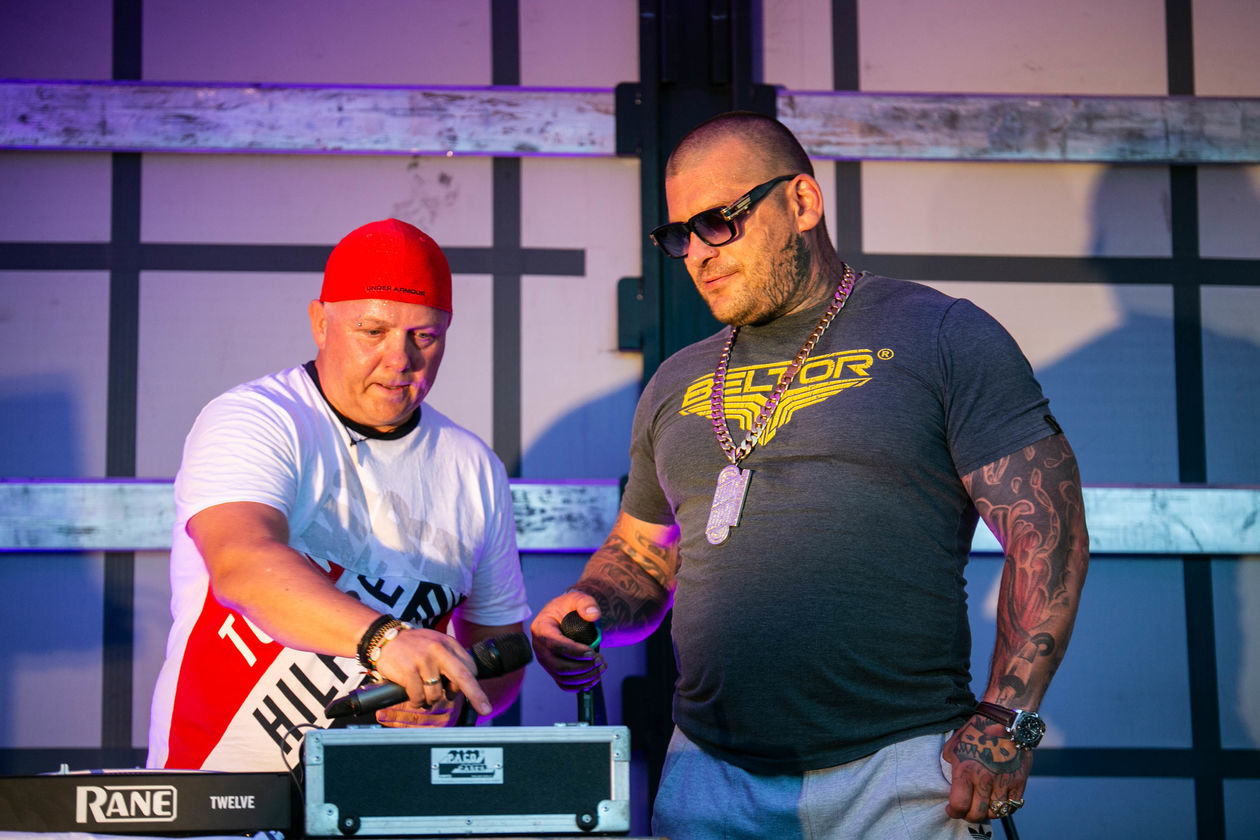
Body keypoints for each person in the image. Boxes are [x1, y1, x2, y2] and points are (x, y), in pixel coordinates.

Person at [530, 112, 1089, 839]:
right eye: (680, 235)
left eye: (719, 221)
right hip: (707, 773)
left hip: (896, 775)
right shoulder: (675, 380)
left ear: (800, 203)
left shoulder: (940, 333)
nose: (698, 253)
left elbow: (1048, 530)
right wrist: (591, 604)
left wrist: (1006, 719)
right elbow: (643, 556)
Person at [147, 218, 531, 772]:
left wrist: (453, 708)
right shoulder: (256, 418)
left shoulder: (474, 467)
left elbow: (500, 652)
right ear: (321, 324)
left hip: (386, 798)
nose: (400, 359)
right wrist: (386, 641)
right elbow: (241, 563)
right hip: (223, 793)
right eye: (372, 332)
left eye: (424, 336)